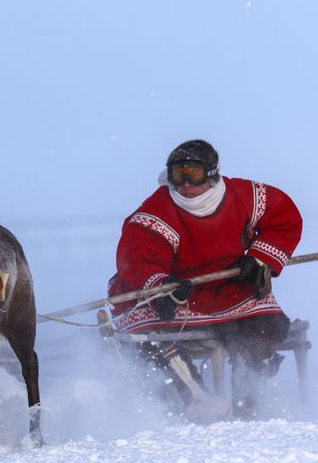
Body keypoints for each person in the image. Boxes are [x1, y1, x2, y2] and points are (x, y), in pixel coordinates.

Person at [108, 139, 302, 418]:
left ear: (212, 174)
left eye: (194, 175)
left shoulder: (245, 196)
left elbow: (285, 219)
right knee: (148, 333)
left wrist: (258, 258)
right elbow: (136, 258)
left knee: (266, 324)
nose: (185, 185)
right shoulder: (154, 212)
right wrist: (162, 285)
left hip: (230, 285)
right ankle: (194, 397)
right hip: (180, 292)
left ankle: (248, 394)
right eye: (178, 175)